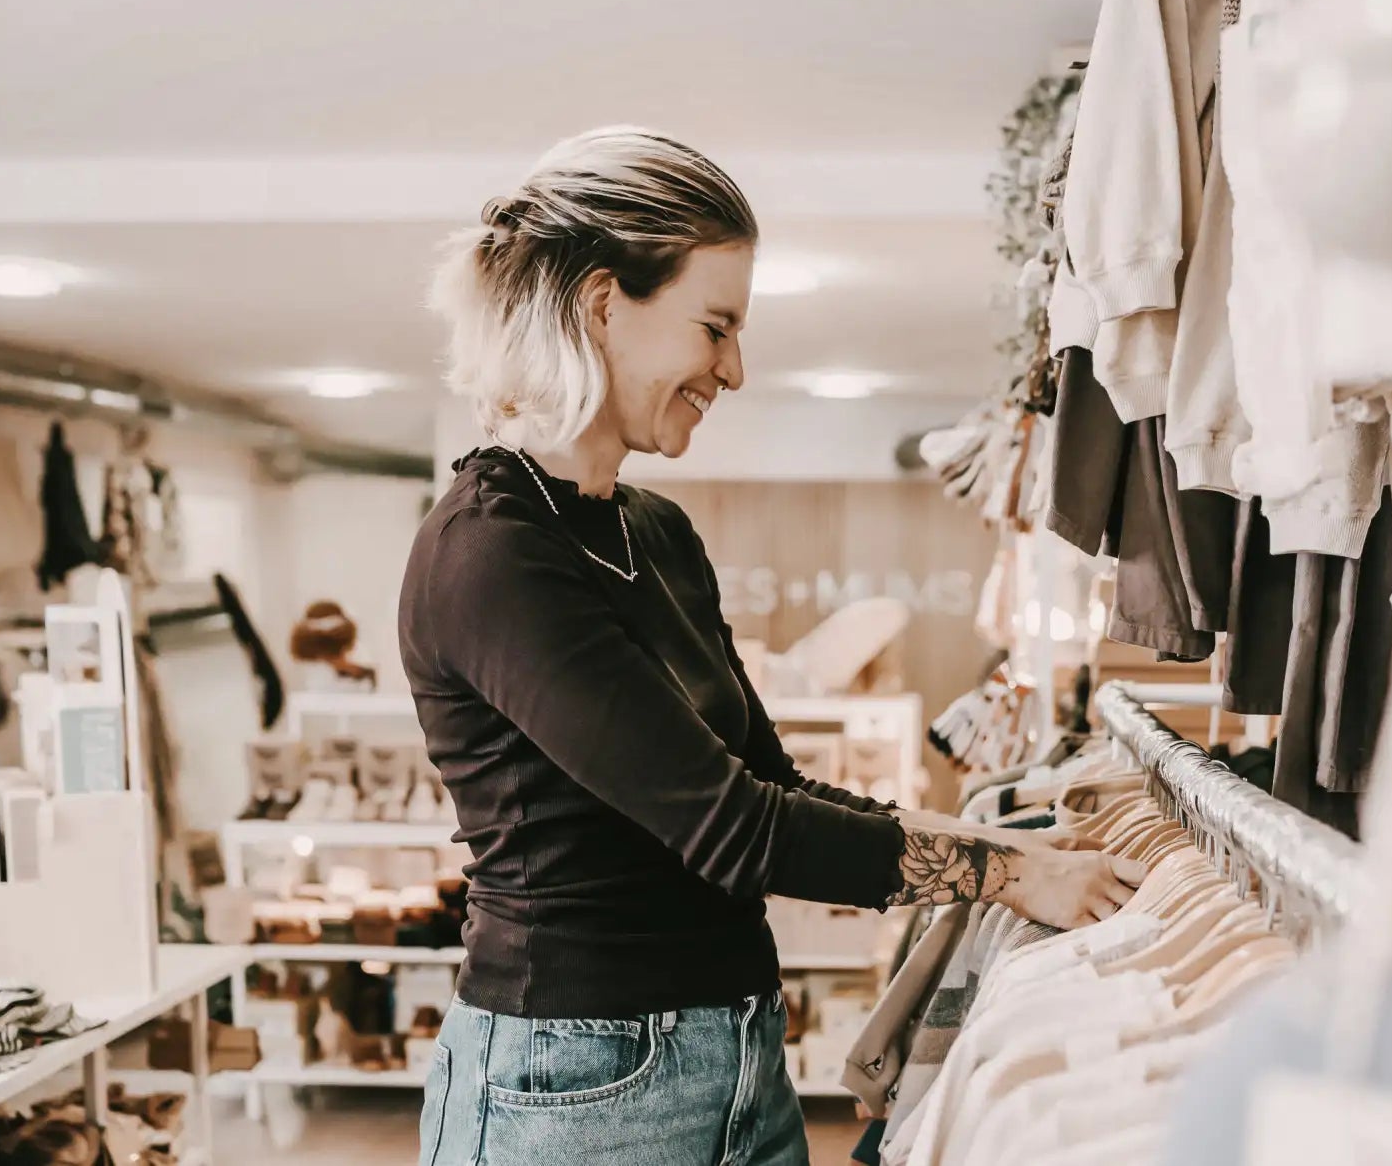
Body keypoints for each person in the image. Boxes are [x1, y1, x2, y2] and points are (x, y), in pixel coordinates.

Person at [400, 127, 1144, 1166]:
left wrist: (1013, 849)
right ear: (602, 302)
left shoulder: (653, 532)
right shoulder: (489, 553)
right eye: (715, 328)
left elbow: (770, 784)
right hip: (573, 1078)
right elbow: (734, 830)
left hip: (739, 1044)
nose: (734, 370)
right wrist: (1002, 872)